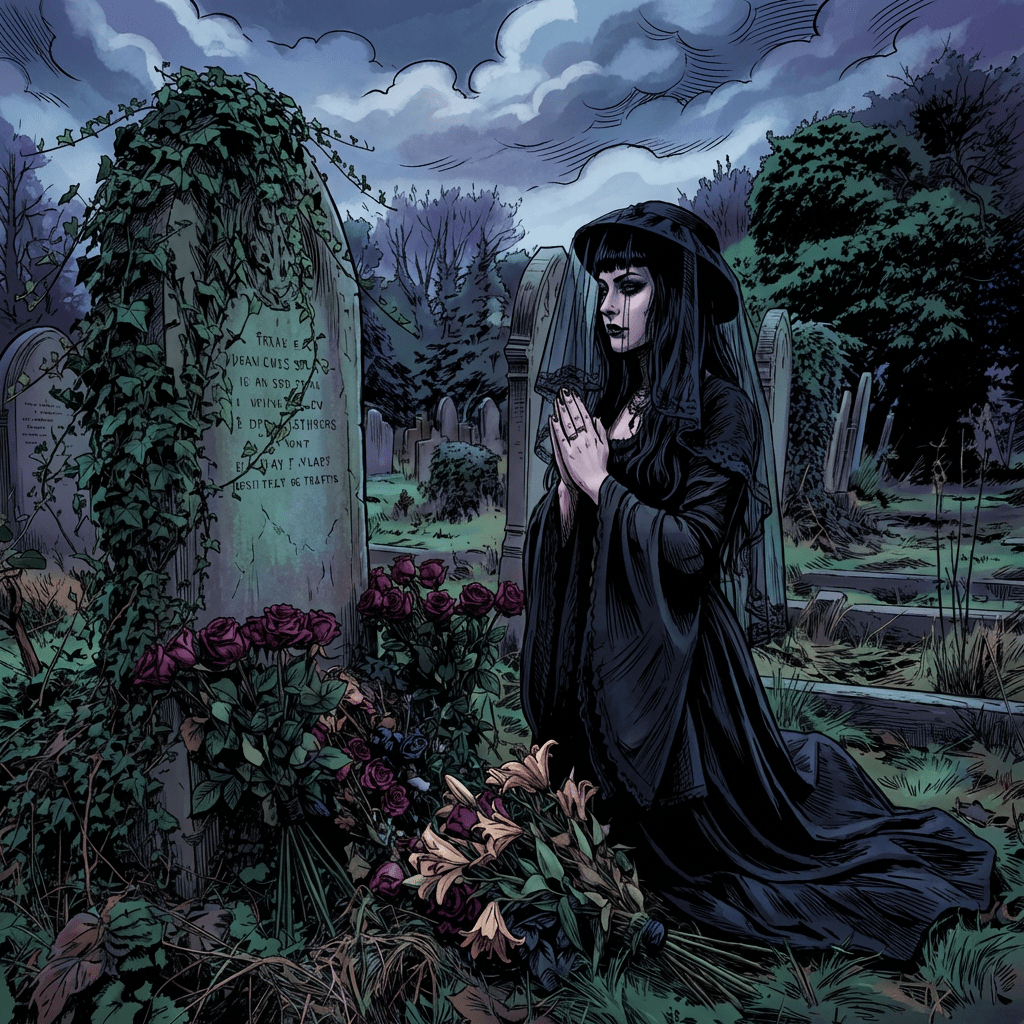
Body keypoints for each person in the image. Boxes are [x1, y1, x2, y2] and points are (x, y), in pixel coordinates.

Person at [519, 200, 994, 960]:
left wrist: (603, 485)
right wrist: (573, 496)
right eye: (603, 286)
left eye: (630, 286)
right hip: (598, 651)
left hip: (684, 681)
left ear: (674, 295)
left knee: (718, 865)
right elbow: (569, 541)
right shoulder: (607, 401)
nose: (608, 306)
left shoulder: (722, 410)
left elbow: (692, 553)